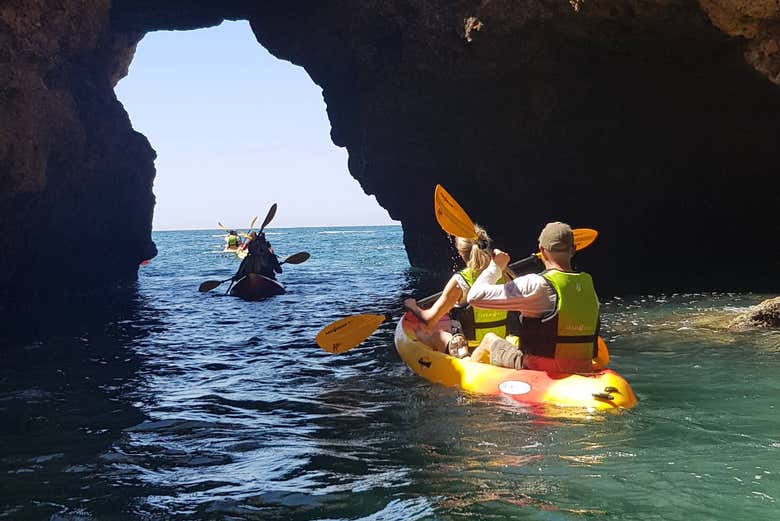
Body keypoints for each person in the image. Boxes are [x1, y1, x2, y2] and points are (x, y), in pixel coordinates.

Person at [467, 222, 599, 374]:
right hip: (582, 367)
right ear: (573, 249)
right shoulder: (589, 285)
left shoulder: (535, 284)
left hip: (540, 369)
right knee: (511, 340)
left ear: (542, 250)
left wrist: (496, 267)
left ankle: (468, 377)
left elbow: (474, 297)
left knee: (490, 339)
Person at [402, 225, 511, 358]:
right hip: (500, 345)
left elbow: (429, 319)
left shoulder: (461, 280)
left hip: (470, 349)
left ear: (460, 252)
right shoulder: (504, 276)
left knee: (432, 334)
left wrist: (412, 306)